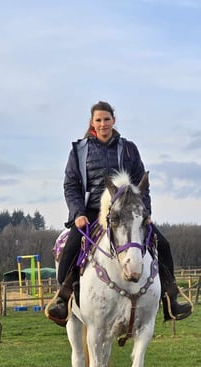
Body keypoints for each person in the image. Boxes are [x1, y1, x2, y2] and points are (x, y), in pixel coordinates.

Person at [46, 101, 192, 326]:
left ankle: (170, 297)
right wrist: (77, 214)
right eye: (98, 120)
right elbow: (71, 186)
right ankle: (63, 299)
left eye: (106, 119)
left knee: (162, 244)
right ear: (92, 123)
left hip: (126, 211)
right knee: (71, 248)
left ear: (113, 120)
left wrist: (146, 213)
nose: (103, 124)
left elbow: (142, 185)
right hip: (93, 211)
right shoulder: (79, 150)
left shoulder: (129, 148)